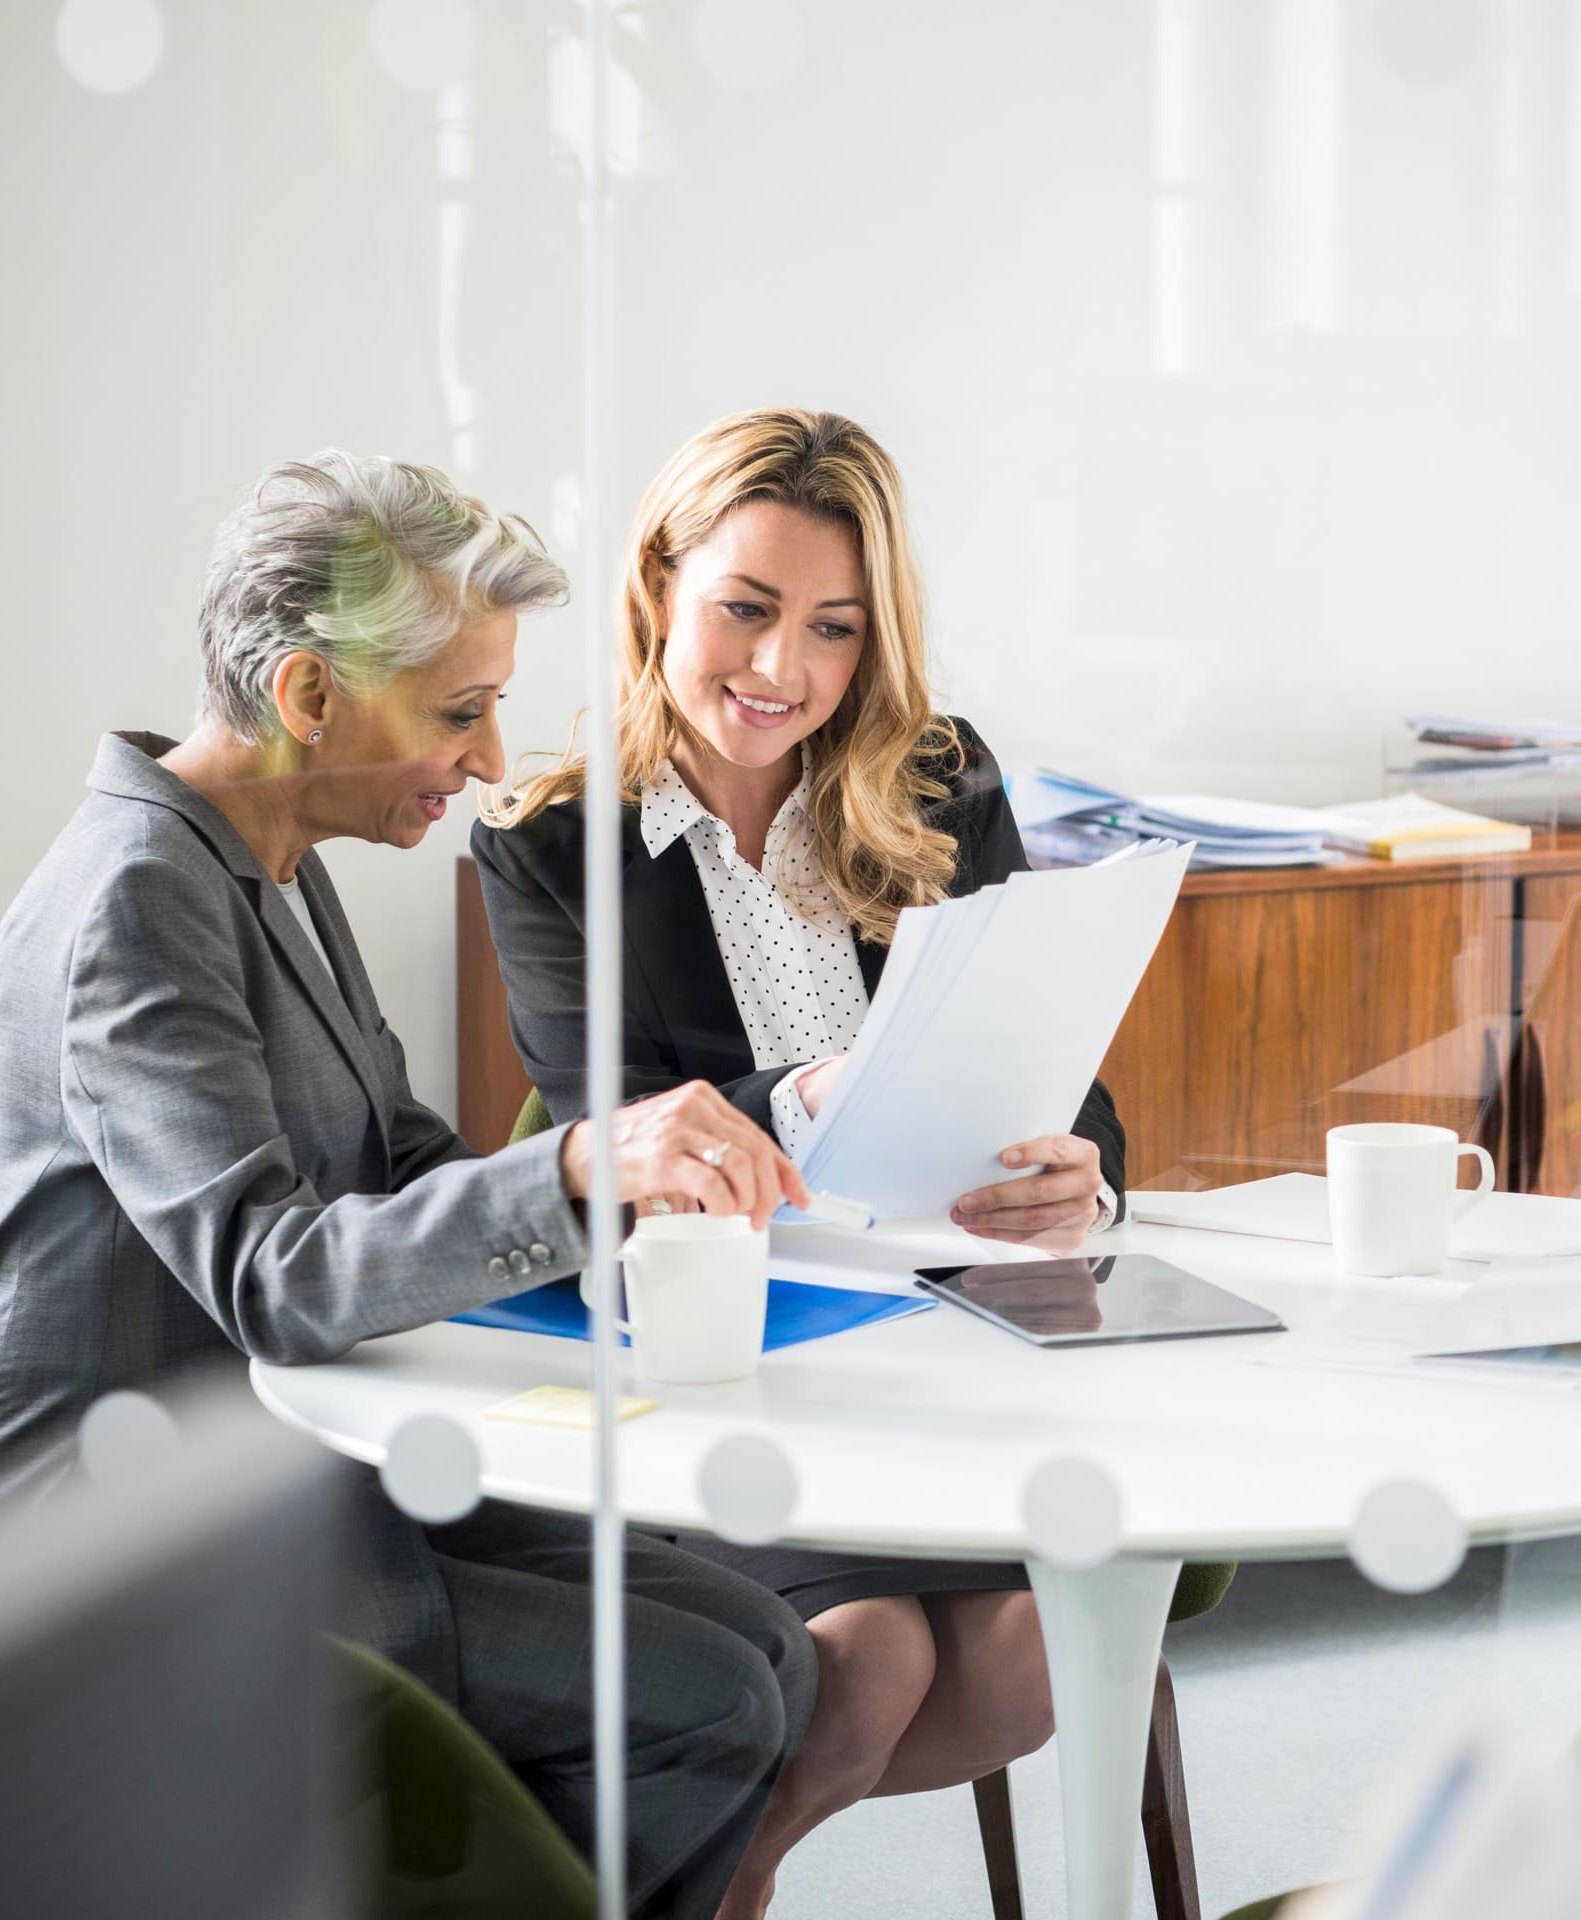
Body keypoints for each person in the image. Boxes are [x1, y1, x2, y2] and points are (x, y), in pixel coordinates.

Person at [0, 451, 817, 1920]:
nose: (486, 759)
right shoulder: (135, 901)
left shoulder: (266, 855)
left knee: (763, 1648)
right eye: (460, 711)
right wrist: (583, 1167)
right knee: (706, 1700)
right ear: (308, 700)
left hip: (291, 1454)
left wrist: (629, 1209)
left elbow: (395, 1158)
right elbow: (274, 1276)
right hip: (128, 1536)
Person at [470, 407, 1127, 1916]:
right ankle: (716, 1881)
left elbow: (1069, 1092)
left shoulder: (939, 780)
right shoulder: (550, 839)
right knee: (870, 1653)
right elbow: (616, 1122)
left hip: (946, 1344)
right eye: (745, 612)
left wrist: (1077, 1172)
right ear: (657, 590)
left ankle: (688, 1876)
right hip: (723, 1352)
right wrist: (823, 1093)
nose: (784, 673)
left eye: (833, 629)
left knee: (1028, 1658)